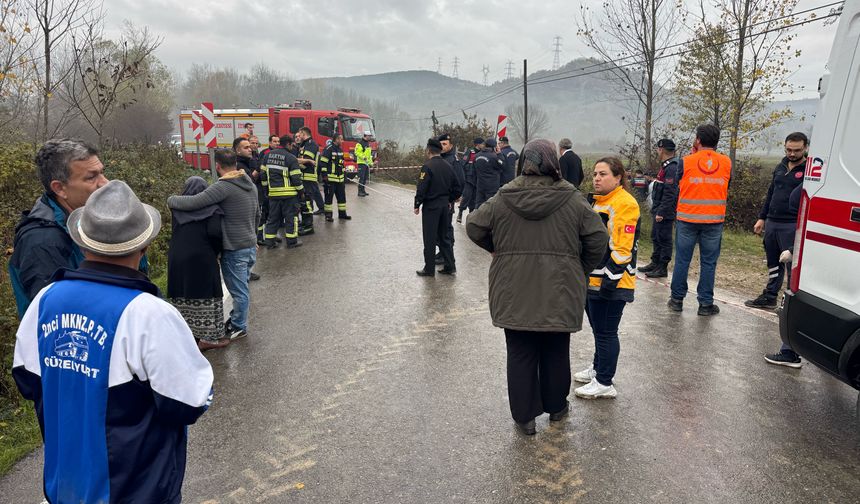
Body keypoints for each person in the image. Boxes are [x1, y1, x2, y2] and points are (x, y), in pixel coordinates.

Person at [12, 180, 213, 504]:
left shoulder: (46, 300)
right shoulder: (150, 314)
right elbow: (188, 401)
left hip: (65, 488)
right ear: (144, 246)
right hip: (135, 491)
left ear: (82, 241)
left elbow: (28, 380)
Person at [466, 139, 608, 435]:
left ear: (522, 163)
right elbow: (598, 237)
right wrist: (578, 268)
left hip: (513, 288)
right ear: (553, 163)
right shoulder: (571, 197)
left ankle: (524, 418)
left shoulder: (504, 196)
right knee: (556, 349)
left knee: (519, 351)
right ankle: (557, 408)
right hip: (560, 288)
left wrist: (498, 249)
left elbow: (474, 225)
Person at [9, 139, 109, 318]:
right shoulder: (42, 242)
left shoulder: (83, 217)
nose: (105, 183)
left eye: (102, 173)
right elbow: (57, 316)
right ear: (60, 188)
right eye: (91, 177)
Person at [168, 149, 260, 340]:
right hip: (250, 245)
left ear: (217, 166)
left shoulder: (224, 186)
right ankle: (236, 319)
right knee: (242, 287)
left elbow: (194, 202)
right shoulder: (249, 184)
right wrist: (254, 235)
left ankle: (239, 326)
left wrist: (171, 200)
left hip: (235, 248)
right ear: (235, 163)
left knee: (238, 291)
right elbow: (257, 214)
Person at [573, 157, 640, 400]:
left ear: (618, 177)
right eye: (595, 175)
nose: (597, 179)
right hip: (593, 280)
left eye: (603, 174)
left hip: (611, 283)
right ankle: (598, 368)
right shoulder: (600, 202)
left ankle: (604, 381)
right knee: (598, 330)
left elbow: (623, 249)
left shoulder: (624, 204)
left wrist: (609, 283)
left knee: (606, 332)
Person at [745, 133, 809, 367]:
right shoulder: (781, 166)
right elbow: (771, 193)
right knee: (773, 263)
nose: (792, 154)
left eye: (797, 150)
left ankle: (788, 303)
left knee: (792, 270)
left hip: (792, 225)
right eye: (789, 149)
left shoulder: (810, 170)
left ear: (805, 148)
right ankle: (769, 296)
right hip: (772, 220)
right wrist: (762, 217)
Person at [668, 124, 732, 316]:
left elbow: (679, 183)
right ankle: (705, 304)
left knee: (682, 260)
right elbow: (726, 186)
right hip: (714, 221)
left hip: (687, 218)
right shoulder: (727, 162)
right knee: (709, 263)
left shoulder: (686, 161)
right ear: (717, 141)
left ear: (698, 140)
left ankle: (677, 300)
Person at [168, 176, 228, 350]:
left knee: (182, 291)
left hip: (177, 255)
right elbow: (215, 234)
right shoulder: (213, 209)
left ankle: (187, 335)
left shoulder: (177, 208)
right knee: (207, 292)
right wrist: (217, 252)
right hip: (202, 255)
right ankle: (208, 338)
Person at [414, 138, 461, 276]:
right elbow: (458, 187)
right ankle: (450, 265)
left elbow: (422, 188)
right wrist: (450, 199)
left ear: (428, 150)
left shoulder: (427, 166)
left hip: (431, 208)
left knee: (430, 238)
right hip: (444, 207)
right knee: (444, 237)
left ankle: (429, 269)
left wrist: (417, 204)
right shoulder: (448, 166)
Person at [639, 139, 679, 278]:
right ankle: (655, 262)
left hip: (665, 211)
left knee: (664, 238)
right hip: (658, 208)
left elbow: (670, 193)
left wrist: (662, 212)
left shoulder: (672, 167)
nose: (657, 152)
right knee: (656, 236)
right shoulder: (666, 166)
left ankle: (662, 267)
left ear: (661, 150)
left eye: (658, 149)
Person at [260, 134, 304, 248]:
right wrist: (301, 192)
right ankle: (292, 242)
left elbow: (263, 175)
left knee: (272, 218)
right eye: (292, 145)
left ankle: (269, 242)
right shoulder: (291, 158)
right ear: (288, 144)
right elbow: (296, 179)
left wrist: (266, 190)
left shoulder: (267, 156)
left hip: (273, 194)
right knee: (291, 218)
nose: (293, 147)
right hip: (289, 195)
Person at [233, 137, 263, 280]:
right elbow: (250, 182)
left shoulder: (246, 162)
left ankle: (246, 272)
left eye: (249, 146)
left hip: (249, 204)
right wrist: (258, 170)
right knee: (246, 242)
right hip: (243, 208)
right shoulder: (240, 166)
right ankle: (244, 273)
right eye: (246, 147)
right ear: (238, 150)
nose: (250, 148)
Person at [437, 133, 464, 265]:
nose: (442, 146)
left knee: (446, 228)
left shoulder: (453, 160)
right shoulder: (441, 158)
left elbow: (460, 180)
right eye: (440, 144)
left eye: (445, 144)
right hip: (439, 200)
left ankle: (446, 254)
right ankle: (441, 251)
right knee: (439, 228)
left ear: (450, 145)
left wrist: (453, 198)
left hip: (447, 201)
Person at [296, 126, 322, 235]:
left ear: (303, 133)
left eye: (299, 134)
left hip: (308, 177)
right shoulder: (305, 144)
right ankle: (306, 222)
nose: (298, 136)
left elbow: (306, 161)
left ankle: (309, 226)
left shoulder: (311, 144)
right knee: (304, 201)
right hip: (303, 177)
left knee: (307, 201)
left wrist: (293, 160)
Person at [320, 133, 351, 221]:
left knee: (342, 197)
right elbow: (323, 163)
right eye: (341, 139)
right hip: (330, 179)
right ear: (336, 139)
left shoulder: (340, 150)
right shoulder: (328, 149)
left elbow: (341, 164)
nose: (342, 141)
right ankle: (328, 215)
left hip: (340, 179)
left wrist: (344, 175)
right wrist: (324, 176)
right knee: (329, 198)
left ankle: (342, 214)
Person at [457, 137, 483, 223]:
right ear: (478, 144)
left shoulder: (483, 153)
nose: (483, 145)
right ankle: (460, 212)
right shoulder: (470, 152)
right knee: (466, 196)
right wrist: (464, 177)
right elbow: (462, 164)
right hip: (469, 179)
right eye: (482, 143)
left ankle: (470, 218)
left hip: (477, 180)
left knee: (474, 199)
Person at [474, 138, 504, 209]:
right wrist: (499, 154)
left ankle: (477, 219)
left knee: (479, 205)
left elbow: (474, 169)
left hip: (480, 185)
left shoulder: (477, 155)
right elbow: (502, 165)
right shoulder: (494, 157)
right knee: (490, 206)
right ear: (494, 147)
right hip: (491, 186)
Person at [355, 131, 373, 197]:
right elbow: (357, 152)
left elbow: (369, 155)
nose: (370, 137)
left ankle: (363, 190)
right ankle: (359, 191)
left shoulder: (368, 143)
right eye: (369, 136)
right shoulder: (360, 143)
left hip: (366, 164)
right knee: (361, 178)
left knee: (365, 178)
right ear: (366, 136)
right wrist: (363, 157)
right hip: (361, 163)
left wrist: (371, 163)